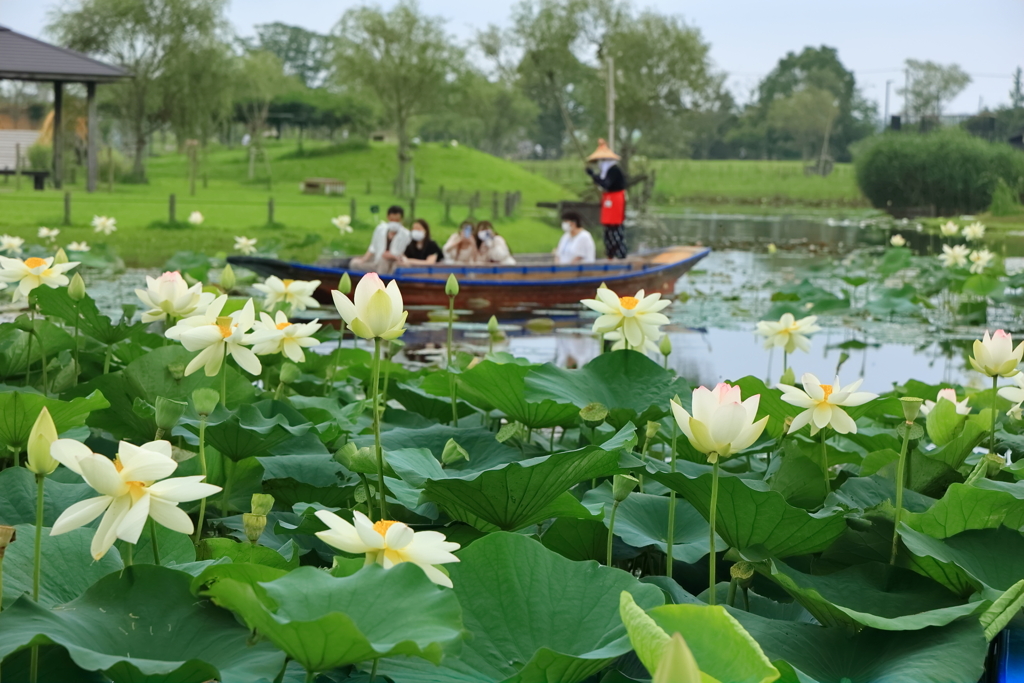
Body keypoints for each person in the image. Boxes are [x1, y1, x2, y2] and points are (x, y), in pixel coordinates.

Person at [585, 138, 628, 259]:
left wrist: (594, 176)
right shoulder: (606, 171)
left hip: (616, 200)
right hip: (608, 200)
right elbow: (601, 182)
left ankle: (620, 256)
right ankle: (609, 254)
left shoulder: (614, 170)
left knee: (615, 229)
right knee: (608, 230)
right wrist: (593, 175)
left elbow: (605, 184)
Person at [350, 205, 411, 274]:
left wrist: (392, 256)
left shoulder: (406, 235)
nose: (394, 222)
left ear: (401, 220)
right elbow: (373, 248)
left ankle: (383, 280)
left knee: (384, 260)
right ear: (387, 218)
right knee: (354, 263)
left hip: (393, 263)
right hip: (377, 261)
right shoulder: (380, 229)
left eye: (396, 220)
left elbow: (405, 254)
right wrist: (364, 259)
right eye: (391, 220)